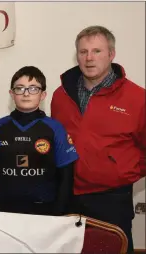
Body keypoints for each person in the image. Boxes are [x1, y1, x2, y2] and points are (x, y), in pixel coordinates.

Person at [51, 25, 145, 252]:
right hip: (68, 194)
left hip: (112, 198)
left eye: (97, 51)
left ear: (111, 54)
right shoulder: (60, 95)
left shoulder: (137, 98)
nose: (89, 58)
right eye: (83, 52)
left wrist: (123, 169)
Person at [0, 66, 78, 215]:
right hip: (2, 211)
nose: (26, 94)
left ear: (43, 95)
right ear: (12, 94)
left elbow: (66, 176)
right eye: (20, 88)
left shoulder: (55, 128)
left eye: (33, 88)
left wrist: (60, 214)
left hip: (44, 210)